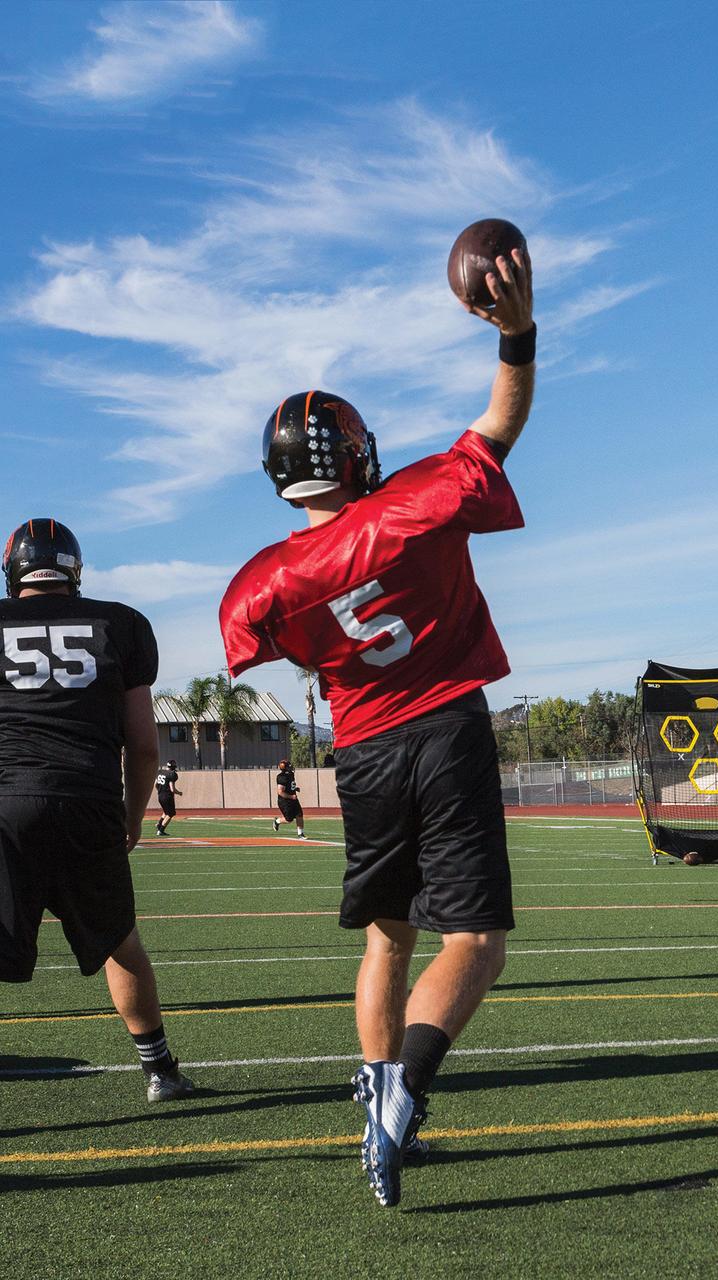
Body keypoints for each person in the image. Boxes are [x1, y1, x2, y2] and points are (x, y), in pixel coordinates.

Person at [218, 244, 534, 1207]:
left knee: (386, 942)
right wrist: (515, 331)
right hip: (442, 727)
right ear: (355, 453)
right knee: (474, 944)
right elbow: (502, 422)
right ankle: (402, 1101)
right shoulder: (414, 499)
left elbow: (290, 650)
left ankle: (373, 1106)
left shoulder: (262, 580)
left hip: (359, 751)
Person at [0, 518, 194, 1101]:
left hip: (7, 798)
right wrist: (132, 815)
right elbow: (143, 744)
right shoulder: (121, 623)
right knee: (118, 938)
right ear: (74, 570)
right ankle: (160, 1072)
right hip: (88, 797)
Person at [274, 757, 306, 838]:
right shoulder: (281, 777)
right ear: (285, 768)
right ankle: (277, 821)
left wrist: (295, 789)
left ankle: (300, 834)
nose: (291, 767)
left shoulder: (291, 774)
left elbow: (289, 786)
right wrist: (291, 796)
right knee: (289, 819)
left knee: (299, 814)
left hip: (293, 799)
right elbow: (280, 792)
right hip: (285, 801)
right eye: (289, 766)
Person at [154, 758, 181, 836]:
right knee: (171, 813)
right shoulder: (172, 774)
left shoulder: (160, 772)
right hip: (167, 796)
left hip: (160, 795)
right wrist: (179, 793)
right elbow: (172, 789)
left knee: (166, 811)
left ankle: (159, 824)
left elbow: (155, 784)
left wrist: (159, 791)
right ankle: (161, 830)